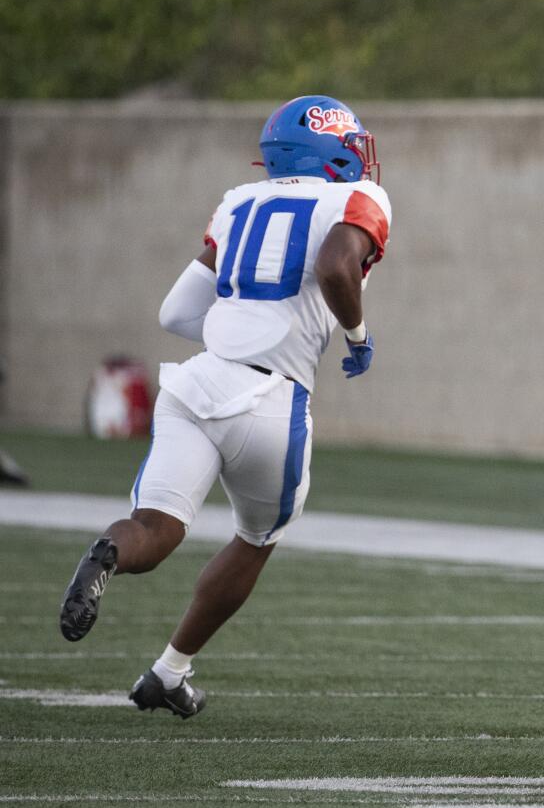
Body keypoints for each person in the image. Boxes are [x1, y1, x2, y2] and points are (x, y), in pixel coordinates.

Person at [58, 95, 392, 716]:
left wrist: (238, 332)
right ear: (331, 150)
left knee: (153, 532)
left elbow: (175, 312)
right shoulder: (355, 200)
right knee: (257, 538)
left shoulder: (240, 200)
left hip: (196, 384)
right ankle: (171, 666)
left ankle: (109, 556)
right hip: (273, 400)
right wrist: (358, 337)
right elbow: (337, 266)